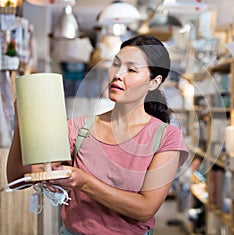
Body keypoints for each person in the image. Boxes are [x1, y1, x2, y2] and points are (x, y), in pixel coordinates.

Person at [6, 35, 189, 235]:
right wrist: (22, 120)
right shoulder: (78, 129)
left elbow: (145, 209)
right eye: (116, 64)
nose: (118, 74)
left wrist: (84, 182)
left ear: (154, 82)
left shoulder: (166, 137)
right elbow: (18, 178)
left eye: (131, 69)